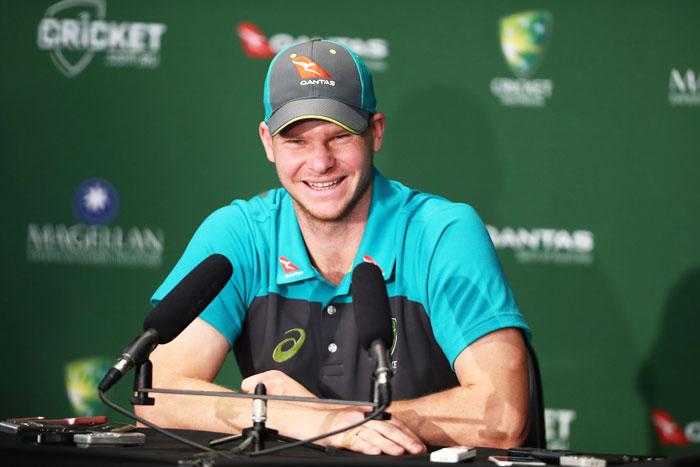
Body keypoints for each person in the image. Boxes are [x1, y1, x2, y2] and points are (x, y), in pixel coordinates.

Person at [136, 39, 531, 456]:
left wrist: (340, 419)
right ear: (267, 142)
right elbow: (156, 393)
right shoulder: (238, 233)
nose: (320, 162)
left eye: (338, 136)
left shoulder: (441, 233)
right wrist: (304, 419)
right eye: (296, 141)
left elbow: (502, 418)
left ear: (374, 132)